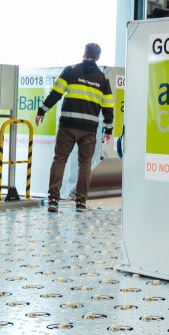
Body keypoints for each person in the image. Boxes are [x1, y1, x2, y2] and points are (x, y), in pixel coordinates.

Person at [35, 43, 114, 213]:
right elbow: (108, 106)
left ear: (84, 53)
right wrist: (108, 129)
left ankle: (53, 200)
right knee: (85, 164)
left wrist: (42, 111)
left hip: (68, 126)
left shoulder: (70, 71)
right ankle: (81, 202)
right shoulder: (102, 79)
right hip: (89, 129)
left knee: (60, 160)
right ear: (98, 57)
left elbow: (55, 93)